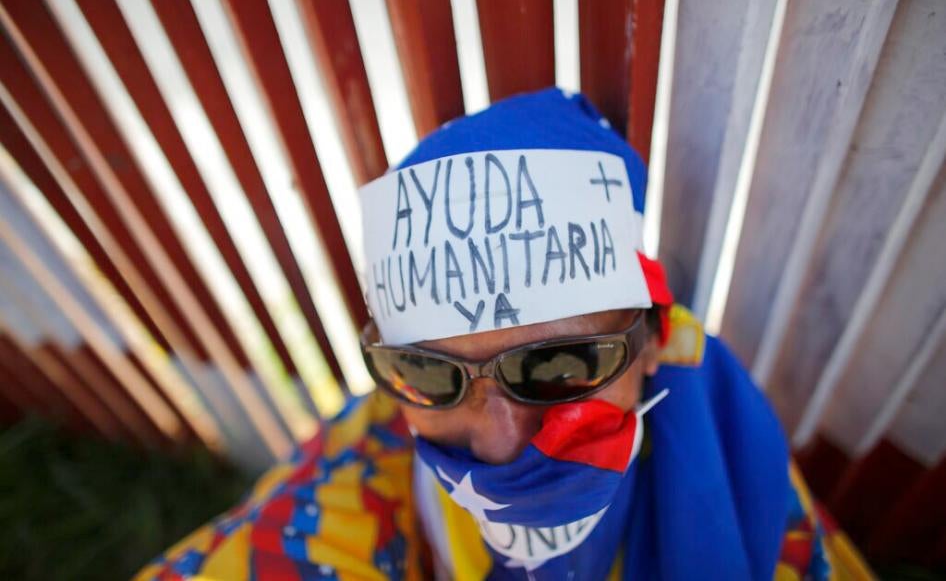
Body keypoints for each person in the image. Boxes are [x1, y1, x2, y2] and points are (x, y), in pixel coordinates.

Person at [137, 89, 872, 580]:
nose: (498, 442)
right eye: (433, 372)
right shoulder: (348, 484)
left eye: (556, 365)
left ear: (653, 339)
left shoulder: (737, 468)